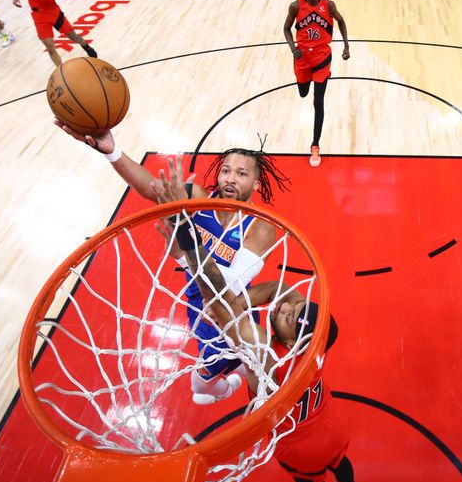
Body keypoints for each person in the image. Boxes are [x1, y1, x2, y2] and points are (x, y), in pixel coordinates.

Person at [55, 125, 290, 405]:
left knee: (201, 387)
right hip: (196, 302)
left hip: (229, 312)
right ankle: (239, 369)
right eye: (226, 170)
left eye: (242, 174)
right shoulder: (198, 198)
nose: (230, 179)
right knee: (233, 367)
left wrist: (182, 242)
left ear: (256, 184)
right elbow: (148, 186)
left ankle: (230, 385)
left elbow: (227, 283)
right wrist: (111, 151)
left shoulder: (260, 228)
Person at [156, 180, 360, 482]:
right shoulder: (314, 344)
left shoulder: (265, 354)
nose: (287, 307)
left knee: (309, 481)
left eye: (289, 316)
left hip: (295, 441)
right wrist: (262, 300)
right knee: (340, 461)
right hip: (327, 422)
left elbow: (218, 298)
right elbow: (277, 295)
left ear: (290, 342)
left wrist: (187, 239)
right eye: (296, 305)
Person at [283, 0, 349, 168]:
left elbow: (341, 21)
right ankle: (309, 79)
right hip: (302, 58)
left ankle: (315, 144)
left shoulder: (328, 5)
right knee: (303, 93)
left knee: (318, 101)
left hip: (322, 58)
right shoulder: (295, 6)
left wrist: (346, 46)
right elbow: (286, 28)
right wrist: (293, 48)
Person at [12, 0, 97, 66]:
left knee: (72, 36)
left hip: (52, 11)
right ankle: (61, 71)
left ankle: (86, 46)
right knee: (50, 47)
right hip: (38, 16)